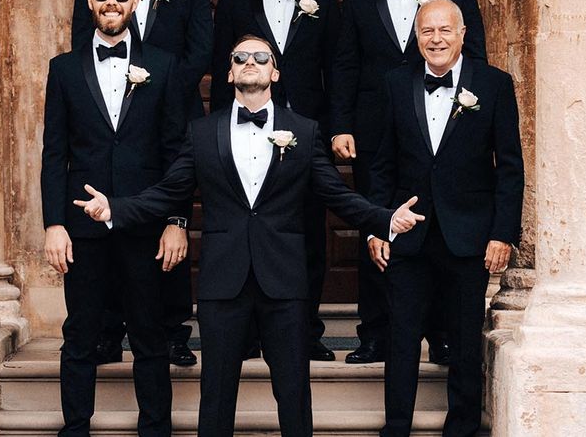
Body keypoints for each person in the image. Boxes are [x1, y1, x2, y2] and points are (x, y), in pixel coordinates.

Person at [74, 35, 425, 437]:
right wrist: (115, 209)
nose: (250, 62)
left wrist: (385, 220)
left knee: (293, 395)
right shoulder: (202, 132)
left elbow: (338, 196)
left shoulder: (305, 131)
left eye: (261, 57)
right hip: (223, 282)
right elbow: (168, 193)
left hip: (285, 282)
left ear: (275, 71)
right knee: (217, 396)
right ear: (229, 73)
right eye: (240, 57)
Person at [330, 0, 488, 364]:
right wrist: (339, 123)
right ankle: (375, 333)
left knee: (437, 229)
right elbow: (344, 63)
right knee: (375, 225)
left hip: (437, 128)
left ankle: (438, 335)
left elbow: (475, 56)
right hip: (375, 129)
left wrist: (472, 123)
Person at [72, 0, 213, 366]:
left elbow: (201, 49)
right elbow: (80, 46)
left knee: (166, 217)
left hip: (170, 115)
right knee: (105, 218)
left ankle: (172, 330)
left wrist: (159, 86)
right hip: (108, 119)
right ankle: (109, 331)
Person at [42, 0, 187, 436]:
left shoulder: (164, 66)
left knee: (150, 335)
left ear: (135, 2)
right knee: (80, 334)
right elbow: (55, 152)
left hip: (145, 225)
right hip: (80, 228)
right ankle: (75, 428)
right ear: (89, 0)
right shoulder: (63, 70)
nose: (111, 2)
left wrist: (176, 221)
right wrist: (53, 225)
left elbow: (177, 154)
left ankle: (155, 429)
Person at [369, 0, 523, 437]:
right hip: (409, 232)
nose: (435, 39)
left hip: (468, 233)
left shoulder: (493, 85)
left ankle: (462, 427)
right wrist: (378, 225)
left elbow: (510, 167)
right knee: (401, 337)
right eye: (426, 31)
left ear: (461, 35)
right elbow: (381, 164)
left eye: (444, 30)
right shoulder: (395, 83)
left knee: (463, 338)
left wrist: (502, 233)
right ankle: (396, 426)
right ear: (417, 38)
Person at [210, 0, 340, 360]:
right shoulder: (232, 1)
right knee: (245, 230)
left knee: (309, 233)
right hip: (245, 127)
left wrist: (337, 128)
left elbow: (337, 68)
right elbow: (220, 66)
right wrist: (218, 136)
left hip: (306, 132)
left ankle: (307, 332)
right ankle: (246, 335)